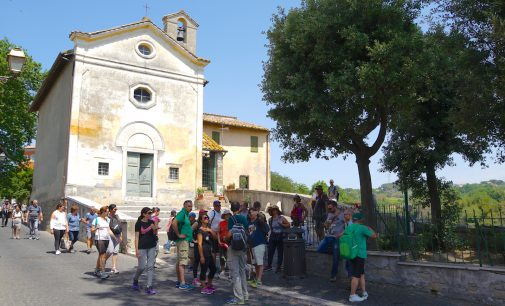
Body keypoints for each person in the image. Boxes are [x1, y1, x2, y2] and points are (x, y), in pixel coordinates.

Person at [344, 213, 378, 302]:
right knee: (356, 275)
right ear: (361, 220)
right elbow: (374, 235)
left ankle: (364, 292)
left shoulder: (349, 227)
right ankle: (352, 295)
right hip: (359, 254)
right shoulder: (362, 228)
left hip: (351, 254)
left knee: (361, 274)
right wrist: (369, 228)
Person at [225, 201, 249, 305]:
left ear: (231, 209)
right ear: (239, 208)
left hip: (233, 247)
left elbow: (229, 234)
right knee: (242, 271)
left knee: (235, 273)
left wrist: (225, 238)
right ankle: (245, 295)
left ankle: (239, 298)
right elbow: (247, 231)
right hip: (243, 248)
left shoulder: (231, 219)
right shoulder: (244, 218)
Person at [316, 200, 345, 281]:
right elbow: (326, 225)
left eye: (331, 208)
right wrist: (330, 220)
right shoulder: (329, 214)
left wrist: (341, 234)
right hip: (328, 236)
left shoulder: (342, 215)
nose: (329, 210)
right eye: (328, 208)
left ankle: (333, 275)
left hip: (336, 237)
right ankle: (337, 252)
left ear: (335, 207)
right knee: (319, 249)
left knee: (335, 257)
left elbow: (347, 226)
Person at [132, 207, 158, 295]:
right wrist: (136, 250)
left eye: (151, 213)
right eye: (149, 213)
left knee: (150, 266)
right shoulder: (138, 223)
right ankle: (135, 279)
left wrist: (154, 228)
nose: (150, 214)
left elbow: (155, 233)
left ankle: (149, 286)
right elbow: (136, 237)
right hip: (142, 247)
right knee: (142, 267)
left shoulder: (152, 222)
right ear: (144, 214)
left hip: (152, 246)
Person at [172, 200, 194, 290]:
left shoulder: (185, 214)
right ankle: (182, 283)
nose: (190, 208)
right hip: (183, 241)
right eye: (188, 206)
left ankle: (179, 281)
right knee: (183, 262)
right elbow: (174, 223)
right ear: (184, 206)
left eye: (191, 206)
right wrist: (178, 234)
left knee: (179, 262)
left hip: (183, 241)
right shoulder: (182, 213)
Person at [91, 206, 116, 279]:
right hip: (99, 239)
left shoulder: (106, 220)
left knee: (101, 255)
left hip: (106, 239)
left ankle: (97, 270)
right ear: (103, 212)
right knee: (103, 255)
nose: (108, 212)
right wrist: (96, 228)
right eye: (107, 211)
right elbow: (92, 230)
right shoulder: (96, 220)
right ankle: (102, 272)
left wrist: (115, 238)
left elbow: (109, 230)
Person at [265, 205, 290, 273]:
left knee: (280, 252)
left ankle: (278, 267)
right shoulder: (270, 219)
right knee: (270, 251)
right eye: (273, 210)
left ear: (277, 211)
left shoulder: (281, 218)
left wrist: (282, 225)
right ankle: (269, 265)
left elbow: (288, 225)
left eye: (275, 210)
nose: (274, 211)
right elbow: (271, 228)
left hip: (280, 236)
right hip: (273, 236)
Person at [197, 212, 218, 294]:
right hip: (204, 253)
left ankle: (209, 284)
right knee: (204, 269)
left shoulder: (209, 229)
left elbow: (216, 238)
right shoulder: (200, 231)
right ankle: (203, 287)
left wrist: (210, 230)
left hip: (209, 252)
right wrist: (201, 256)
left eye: (207, 218)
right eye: (205, 218)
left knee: (213, 269)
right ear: (201, 220)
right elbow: (199, 244)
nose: (207, 219)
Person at [247, 209, 269, 288]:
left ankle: (259, 280)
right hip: (252, 245)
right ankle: (256, 279)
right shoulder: (249, 223)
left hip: (259, 244)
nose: (250, 214)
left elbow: (267, 228)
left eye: (252, 212)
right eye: (250, 212)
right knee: (255, 263)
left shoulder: (259, 222)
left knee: (259, 263)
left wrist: (259, 217)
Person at [192, 209, 207, 286]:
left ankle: (202, 278)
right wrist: (193, 240)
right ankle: (195, 279)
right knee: (196, 261)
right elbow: (190, 230)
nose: (205, 215)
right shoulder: (197, 223)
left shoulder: (206, 224)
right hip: (197, 245)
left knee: (203, 262)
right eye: (204, 213)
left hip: (204, 245)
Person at [106, 204, 123, 273]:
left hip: (117, 235)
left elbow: (119, 226)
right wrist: (114, 237)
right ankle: (103, 261)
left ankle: (113, 267)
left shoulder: (117, 216)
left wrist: (120, 235)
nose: (116, 210)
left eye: (116, 209)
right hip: (110, 236)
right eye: (114, 209)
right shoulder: (107, 217)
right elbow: (108, 228)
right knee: (110, 250)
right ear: (110, 210)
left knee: (115, 252)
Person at [208, 200, 222, 273]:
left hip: (220, 234)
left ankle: (221, 266)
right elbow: (207, 222)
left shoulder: (221, 213)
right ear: (214, 206)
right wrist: (210, 231)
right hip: (213, 234)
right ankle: (213, 266)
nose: (218, 207)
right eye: (216, 206)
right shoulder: (211, 213)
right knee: (214, 251)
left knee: (220, 251)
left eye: (219, 205)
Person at [217, 209, 232, 278]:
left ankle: (230, 270)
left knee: (230, 256)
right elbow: (218, 232)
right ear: (224, 216)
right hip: (222, 242)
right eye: (226, 215)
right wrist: (219, 241)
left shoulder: (232, 223)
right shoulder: (221, 223)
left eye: (229, 215)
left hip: (229, 242)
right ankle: (222, 270)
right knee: (222, 256)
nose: (227, 216)